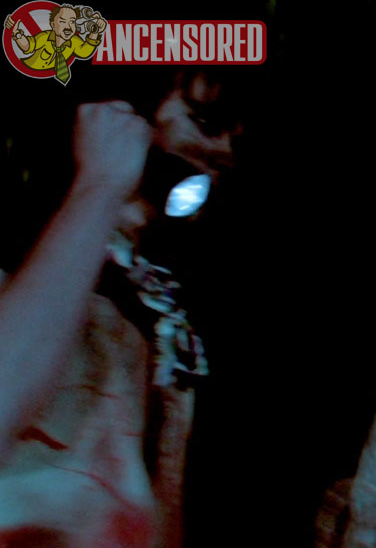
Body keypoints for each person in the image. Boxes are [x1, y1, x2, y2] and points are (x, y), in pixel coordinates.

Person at [0, 70, 241, 547]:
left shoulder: (170, 298)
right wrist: (102, 184)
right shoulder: (20, 249)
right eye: (204, 119)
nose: (223, 147)